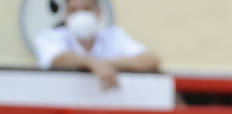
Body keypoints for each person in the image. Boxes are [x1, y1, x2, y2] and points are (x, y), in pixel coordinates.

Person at [32, 0, 160, 91]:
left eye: (86, 8)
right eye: (73, 10)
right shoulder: (50, 37)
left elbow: (150, 60)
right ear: (66, 15)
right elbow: (57, 59)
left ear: (98, 12)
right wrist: (92, 64)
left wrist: (105, 64)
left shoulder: (115, 36)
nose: (80, 15)